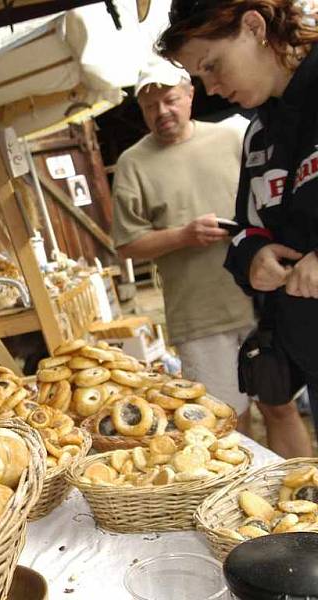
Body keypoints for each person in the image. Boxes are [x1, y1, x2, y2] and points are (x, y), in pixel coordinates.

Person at [157, 0, 318, 454]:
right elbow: (247, 228)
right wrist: (254, 257)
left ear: (254, 27)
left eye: (213, 66)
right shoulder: (258, 133)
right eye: (200, 77)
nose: (210, 87)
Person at [111, 57, 262, 437]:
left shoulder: (232, 138)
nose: (162, 112)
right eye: (150, 106)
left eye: (170, 100)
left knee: (282, 409)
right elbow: (127, 244)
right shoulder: (133, 163)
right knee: (228, 424)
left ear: (190, 95)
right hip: (198, 316)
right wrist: (184, 235)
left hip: (259, 297)